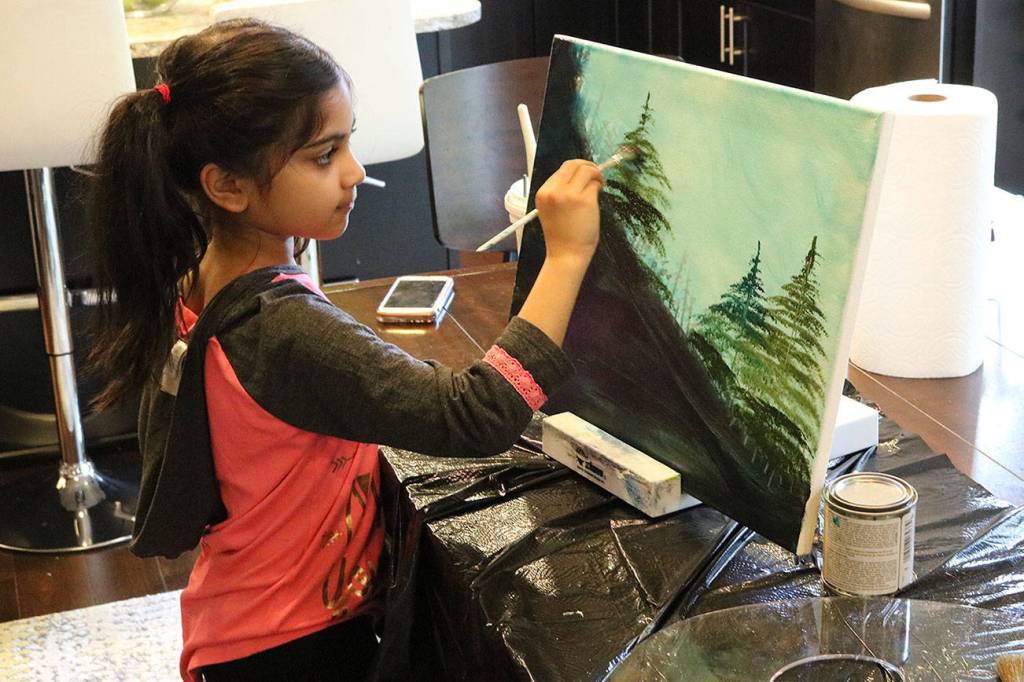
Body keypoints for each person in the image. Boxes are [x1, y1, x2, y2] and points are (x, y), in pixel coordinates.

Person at [85, 18, 603, 682]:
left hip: (246, 623)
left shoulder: (200, 277)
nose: (354, 173)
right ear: (227, 186)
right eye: (324, 155)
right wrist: (566, 255)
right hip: (291, 647)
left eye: (347, 143)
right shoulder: (279, 328)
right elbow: (476, 415)